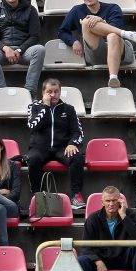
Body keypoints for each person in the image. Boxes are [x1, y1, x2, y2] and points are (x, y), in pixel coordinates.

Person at [58, 0, 136, 89]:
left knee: (113, 35)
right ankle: (126, 34)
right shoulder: (77, 10)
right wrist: (73, 41)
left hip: (118, 50)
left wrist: (101, 21)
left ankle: (113, 77)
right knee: (86, 21)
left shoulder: (113, 8)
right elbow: (62, 31)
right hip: (95, 52)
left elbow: (114, 29)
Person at [26, 78, 86, 209]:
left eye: (56, 91)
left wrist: (72, 144)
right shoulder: (34, 107)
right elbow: (33, 126)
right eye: (49, 92)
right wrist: (45, 107)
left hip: (62, 148)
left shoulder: (69, 109)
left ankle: (75, 195)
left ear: (60, 92)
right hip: (40, 148)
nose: (53, 95)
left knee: (77, 157)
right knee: (33, 159)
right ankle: (37, 196)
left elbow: (78, 132)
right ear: (43, 93)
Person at [0, 0, 45, 98]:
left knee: (39, 50)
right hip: (3, 52)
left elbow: (35, 36)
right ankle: (1, 92)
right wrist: (6, 49)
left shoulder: (31, 10)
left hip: (24, 52)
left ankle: (29, 92)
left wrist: (19, 50)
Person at [78, 186, 136, 271]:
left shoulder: (128, 214)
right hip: (101, 259)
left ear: (120, 201)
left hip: (123, 259)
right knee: (81, 260)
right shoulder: (93, 219)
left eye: (114, 200)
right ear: (102, 202)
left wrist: (123, 215)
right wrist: (97, 261)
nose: (111, 204)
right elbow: (84, 247)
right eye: (108, 201)